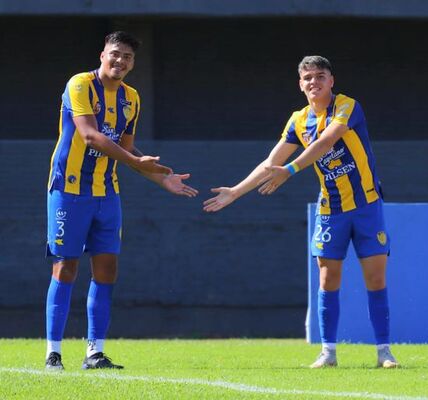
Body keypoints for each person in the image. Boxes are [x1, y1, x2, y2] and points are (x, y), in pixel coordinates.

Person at [203, 55, 397, 368]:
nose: (314, 82)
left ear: (331, 80)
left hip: (366, 205)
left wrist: (290, 170)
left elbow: (326, 141)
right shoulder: (298, 120)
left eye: (320, 76)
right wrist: (236, 192)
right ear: (300, 85)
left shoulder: (347, 106)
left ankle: (384, 352)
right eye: (308, 78)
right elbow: (271, 162)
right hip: (331, 209)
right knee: (327, 277)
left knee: (375, 278)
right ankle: (328, 353)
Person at [45, 31, 198, 371]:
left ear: (132, 64)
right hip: (68, 191)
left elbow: (127, 150)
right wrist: (134, 163)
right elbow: (90, 135)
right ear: (102, 54)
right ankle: (53, 353)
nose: (120, 61)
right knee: (66, 267)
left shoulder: (132, 98)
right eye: (115, 54)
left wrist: (162, 178)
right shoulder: (80, 84)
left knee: (107, 269)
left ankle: (94, 352)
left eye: (127, 57)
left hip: (107, 193)